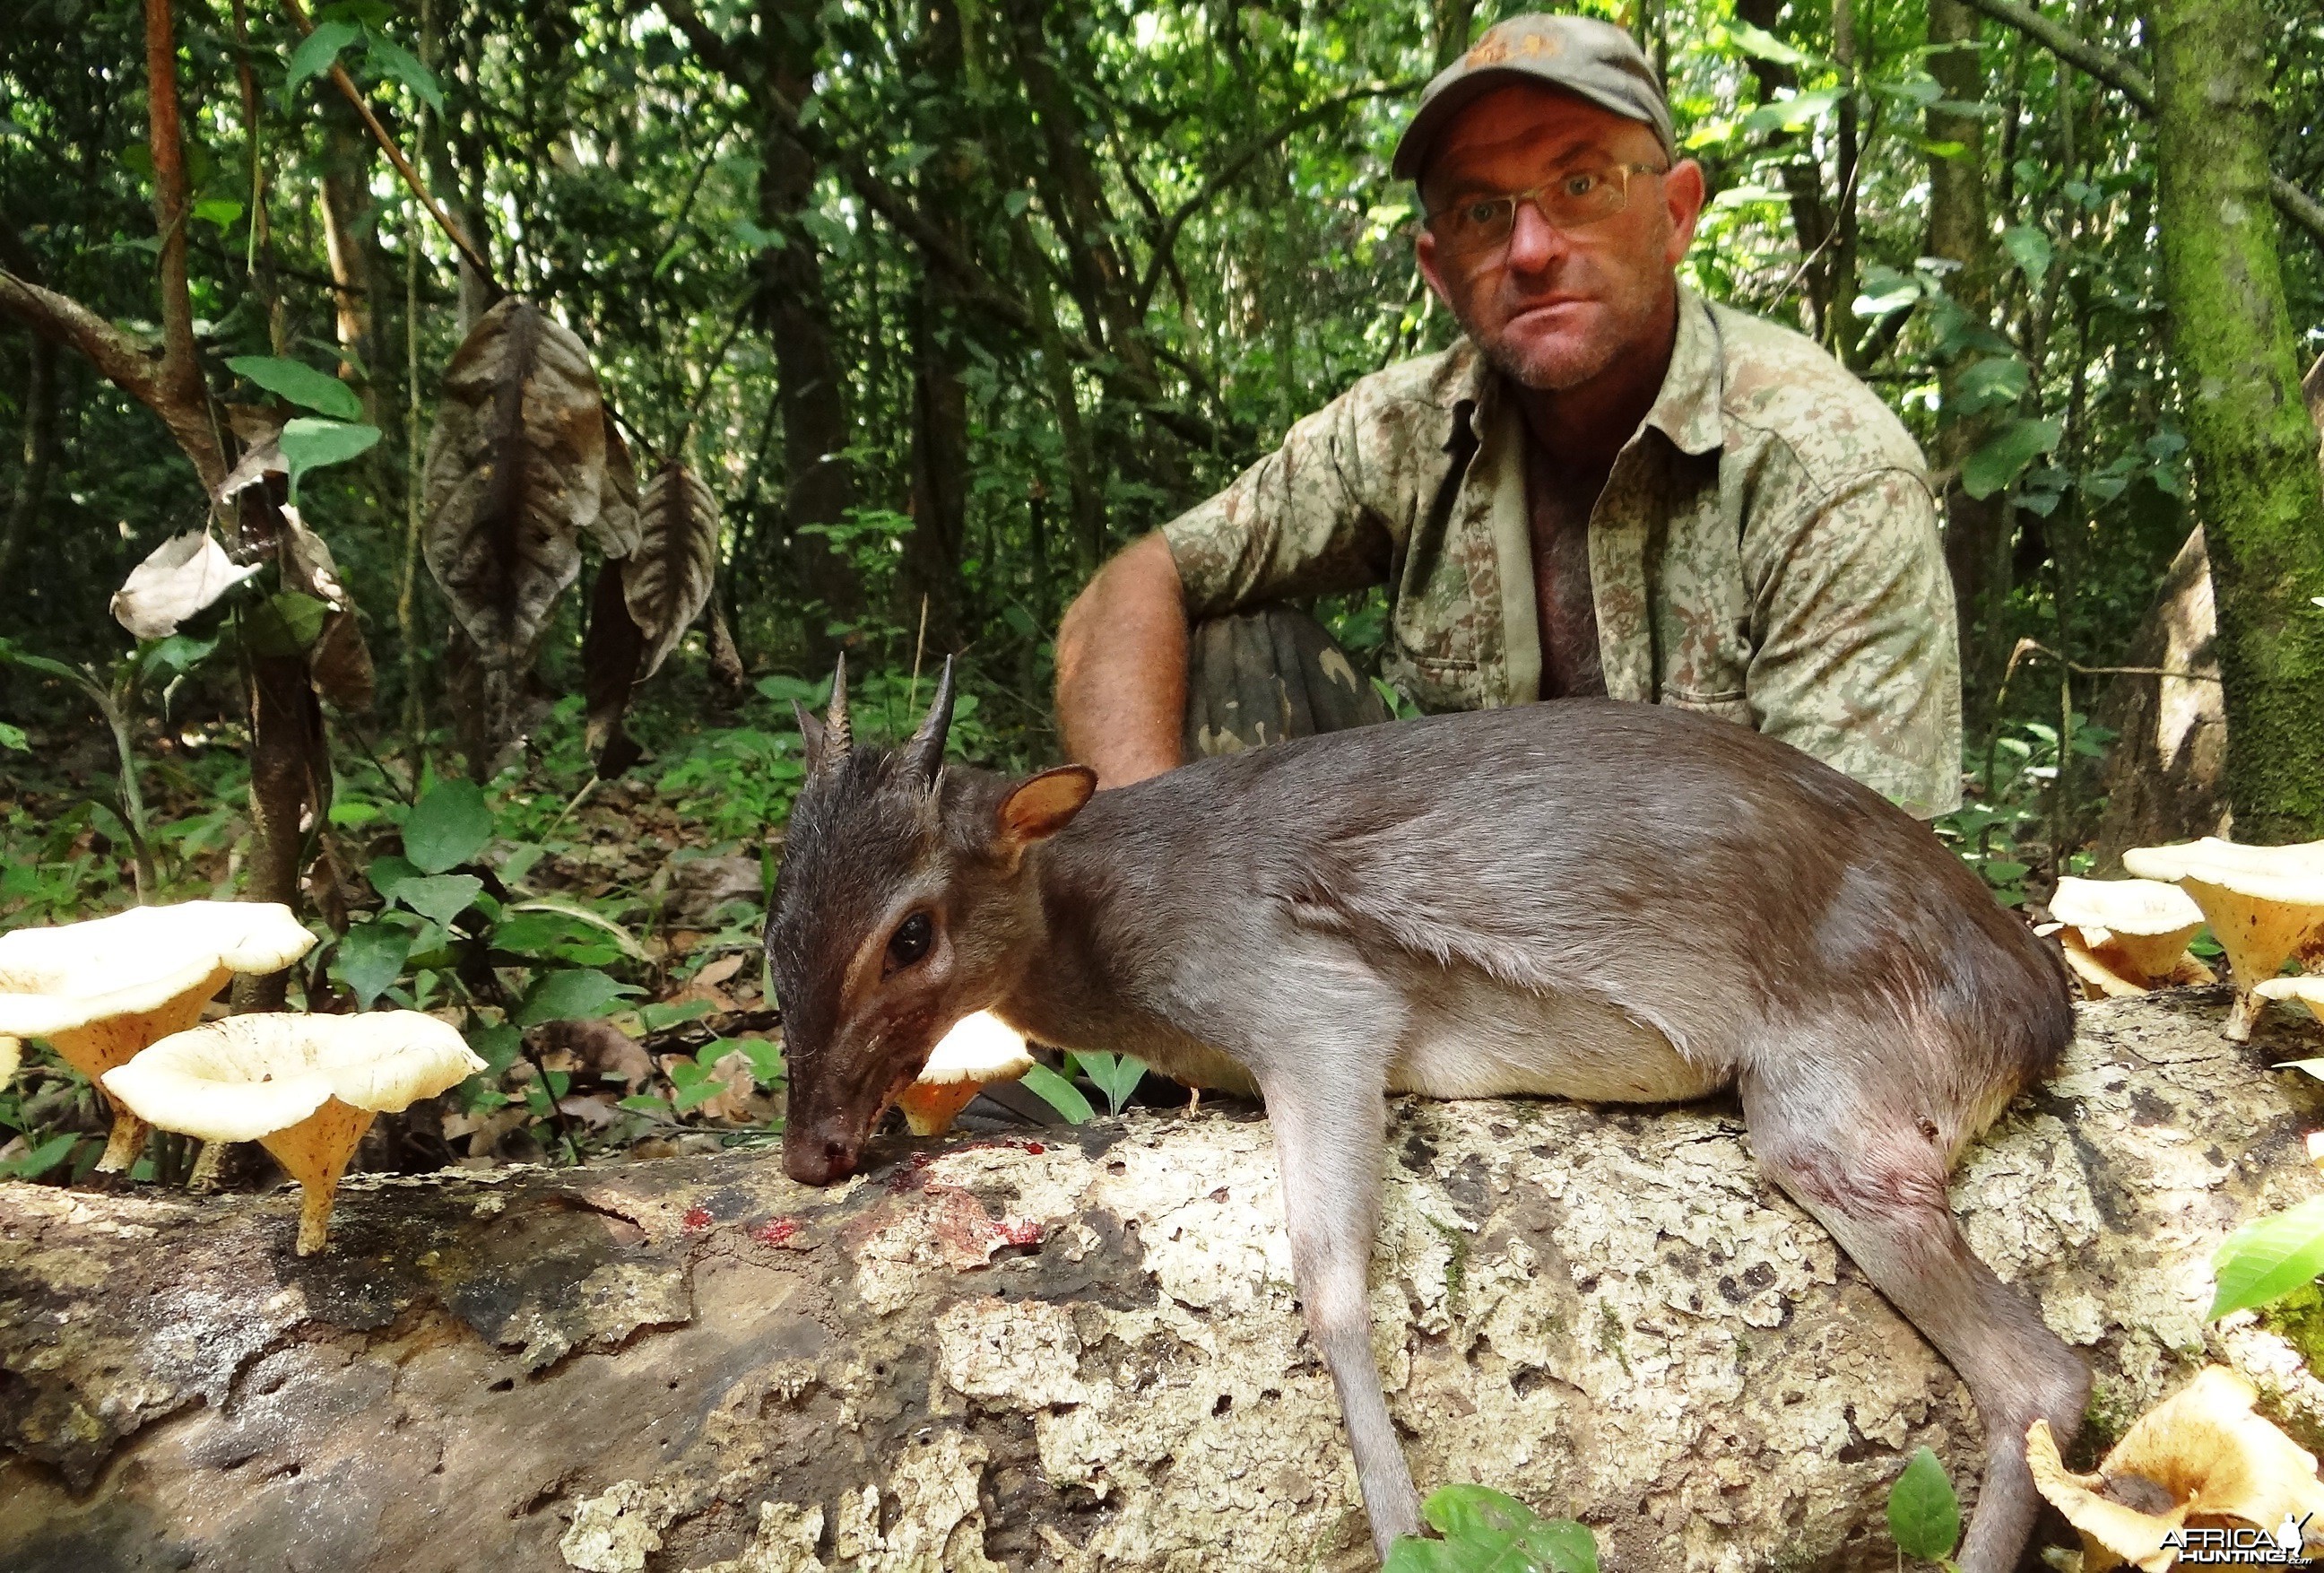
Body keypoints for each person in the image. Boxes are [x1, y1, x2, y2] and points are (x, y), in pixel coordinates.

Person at [1054, 13, 1962, 817]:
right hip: (1457, 927)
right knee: (1232, 648)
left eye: (1582, 186)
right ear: (1439, 268)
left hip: (1716, 957)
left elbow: (1853, 888)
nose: (1530, 250)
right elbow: (1135, 579)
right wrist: (1145, 850)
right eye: (1483, 210)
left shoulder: (1822, 467)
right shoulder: (1403, 433)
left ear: (1676, 213)